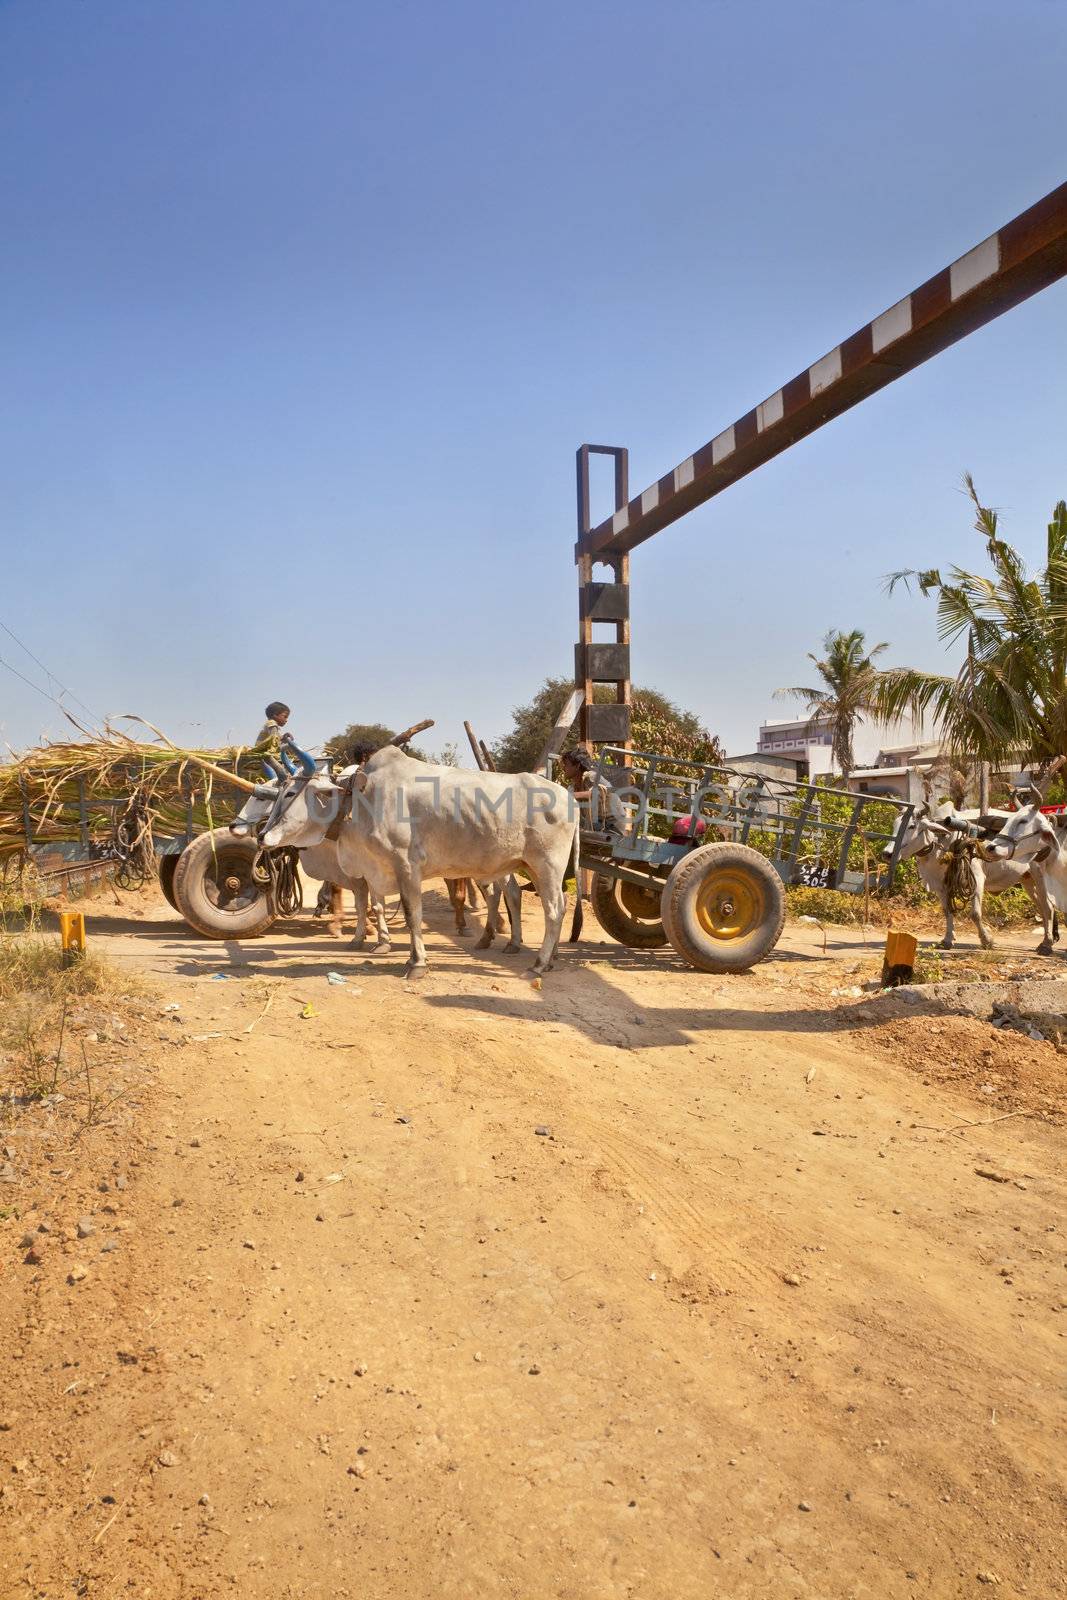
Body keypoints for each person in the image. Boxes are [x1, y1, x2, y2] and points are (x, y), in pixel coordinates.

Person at [559, 749, 625, 834]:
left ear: (577, 766)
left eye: (567, 765)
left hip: (612, 825)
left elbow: (604, 791)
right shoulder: (572, 788)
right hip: (595, 825)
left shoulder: (592, 777)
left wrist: (572, 795)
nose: (564, 768)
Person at [255, 701, 314, 782]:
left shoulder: (272, 725)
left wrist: (284, 737)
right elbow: (274, 740)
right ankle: (282, 784)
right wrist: (289, 745)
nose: (286, 720)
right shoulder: (272, 723)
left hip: (265, 752)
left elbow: (275, 738)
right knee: (282, 774)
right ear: (275, 715)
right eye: (285, 716)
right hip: (264, 754)